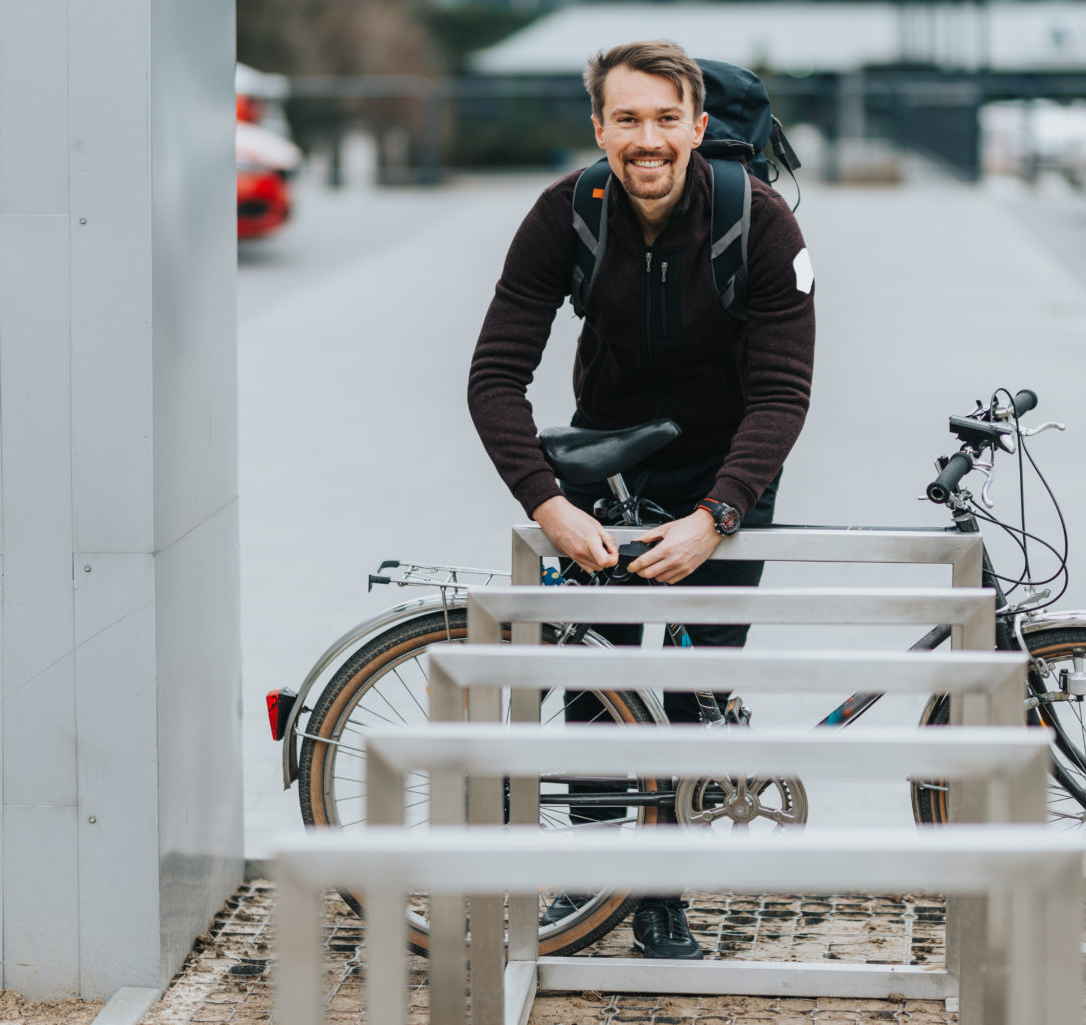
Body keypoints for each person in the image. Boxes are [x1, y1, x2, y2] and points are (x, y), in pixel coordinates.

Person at [468, 39, 816, 960]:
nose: (647, 139)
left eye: (667, 119)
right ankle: (592, 877)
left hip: (725, 471)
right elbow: (495, 375)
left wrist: (719, 517)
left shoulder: (761, 222)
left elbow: (783, 394)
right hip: (604, 462)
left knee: (696, 686)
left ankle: (662, 892)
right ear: (600, 129)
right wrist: (548, 503)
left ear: (699, 128)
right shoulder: (567, 213)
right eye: (627, 120)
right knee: (595, 683)